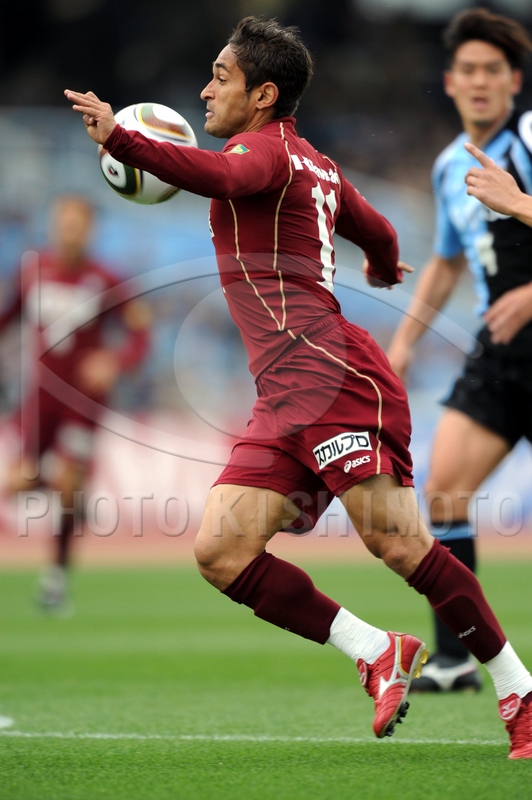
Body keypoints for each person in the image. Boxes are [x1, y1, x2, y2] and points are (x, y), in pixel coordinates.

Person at [66, 16, 532, 757]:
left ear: (263, 95)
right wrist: (382, 265)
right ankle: (376, 651)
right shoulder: (314, 163)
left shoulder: (261, 152)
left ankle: (519, 692)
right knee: (221, 551)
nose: (205, 89)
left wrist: (122, 138)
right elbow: (378, 229)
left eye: (220, 76)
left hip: (328, 375)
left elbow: (223, 177)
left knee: (399, 544)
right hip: (285, 393)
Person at [387, 7, 532, 694]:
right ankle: (454, 660)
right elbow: (446, 261)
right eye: (467, 70)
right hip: (501, 353)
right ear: (449, 82)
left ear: (514, 82)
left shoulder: (528, 139)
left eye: (492, 70)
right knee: (443, 489)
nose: (479, 81)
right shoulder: (450, 166)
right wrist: (404, 342)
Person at [0, 194, 150, 613]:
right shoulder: (33, 271)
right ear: (53, 225)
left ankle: (56, 577)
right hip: (39, 399)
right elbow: (8, 317)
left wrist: (116, 361)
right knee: (18, 483)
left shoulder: (107, 279)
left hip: (84, 402)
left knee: (68, 484)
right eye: (63, 222)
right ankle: (75, 495)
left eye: (77, 223)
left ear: (90, 229)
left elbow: (140, 333)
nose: (69, 230)